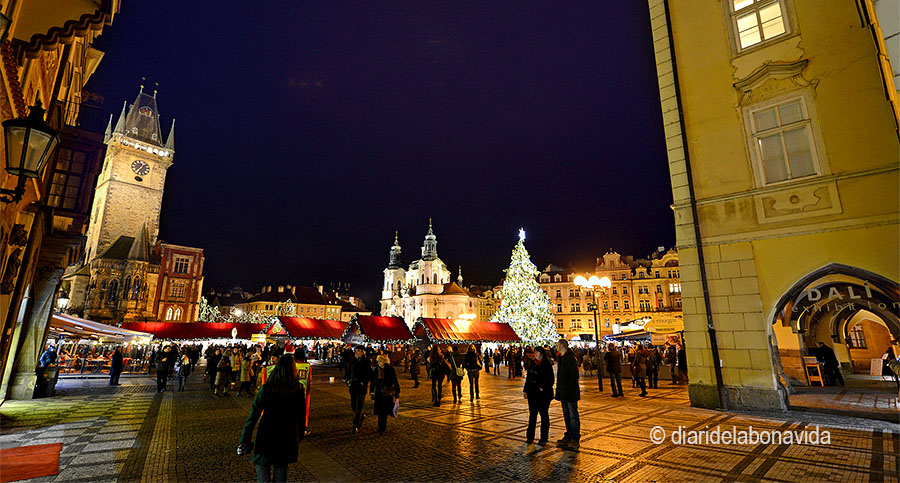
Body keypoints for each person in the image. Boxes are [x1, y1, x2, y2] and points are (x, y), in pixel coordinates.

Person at [238, 354, 306, 482]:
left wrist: (245, 439)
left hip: (267, 434)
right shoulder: (297, 389)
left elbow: (253, 416)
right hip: (287, 436)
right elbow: (300, 415)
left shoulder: (267, 388)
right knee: (280, 469)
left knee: (262, 467)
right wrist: (299, 436)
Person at [523, 346, 554, 444]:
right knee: (532, 415)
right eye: (534, 352)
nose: (535, 354)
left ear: (541, 353)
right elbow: (528, 378)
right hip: (532, 393)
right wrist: (525, 390)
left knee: (544, 415)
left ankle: (544, 438)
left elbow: (551, 380)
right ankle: (530, 437)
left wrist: (543, 387)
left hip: (543, 395)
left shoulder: (546, 364)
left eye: (536, 352)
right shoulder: (533, 363)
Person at [554, 339, 580, 450]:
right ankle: (568, 435)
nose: (556, 346)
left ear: (562, 346)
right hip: (563, 392)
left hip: (570, 392)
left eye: (557, 345)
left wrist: (568, 389)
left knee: (573, 415)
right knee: (566, 415)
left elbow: (574, 377)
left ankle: (575, 438)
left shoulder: (570, 359)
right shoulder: (562, 358)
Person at [370, 354, 400, 434]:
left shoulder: (390, 369)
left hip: (387, 392)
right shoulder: (376, 370)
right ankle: (380, 426)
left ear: (384, 362)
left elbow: (395, 380)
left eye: (380, 361)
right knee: (380, 411)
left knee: (385, 410)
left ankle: (383, 426)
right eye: (378, 361)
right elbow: (372, 381)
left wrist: (397, 391)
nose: (379, 362)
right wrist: (371, 391)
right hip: (379, 392)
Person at [348, 346, 372, 433]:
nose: (357, 352)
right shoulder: (352, 360)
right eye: (356, 351)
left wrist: (364, 382)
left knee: (358, 407)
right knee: (353, 406)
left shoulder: (366, 361)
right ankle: (361, 416)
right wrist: (347, 380)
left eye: (359, 351)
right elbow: (349, 370)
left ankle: (355, 425)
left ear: (363, 352)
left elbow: (369, 373)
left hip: (361, 387)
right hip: (353, 386)